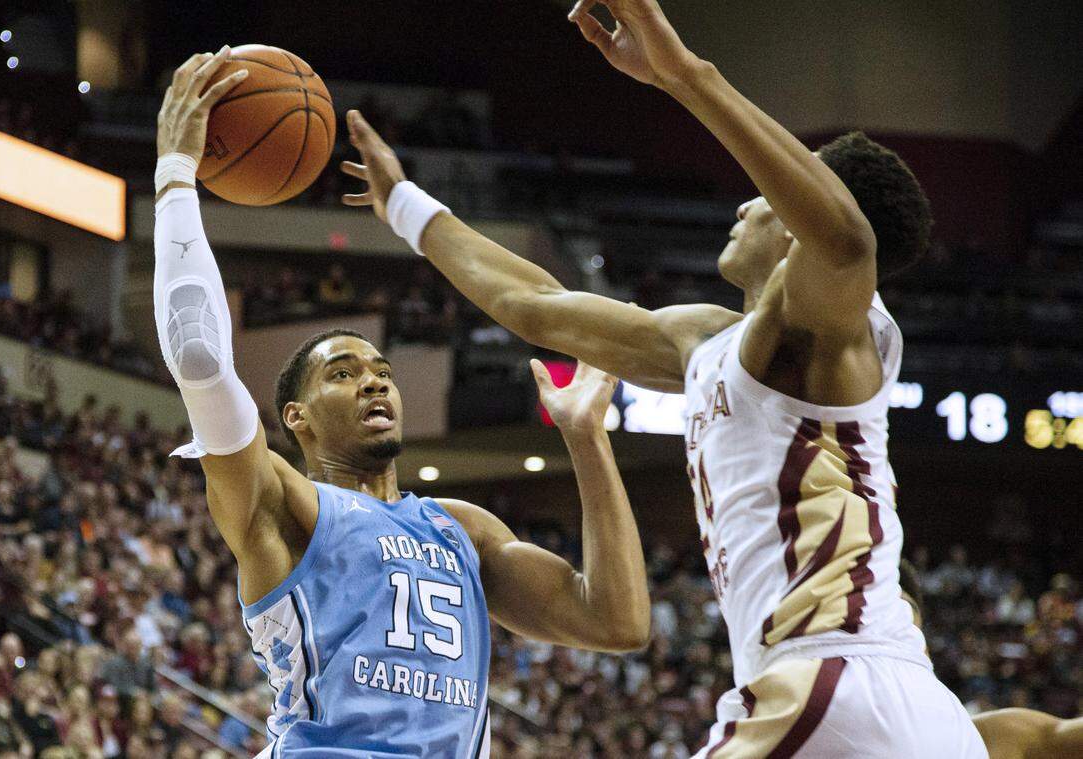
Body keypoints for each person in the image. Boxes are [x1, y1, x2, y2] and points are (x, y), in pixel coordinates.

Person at [340, 1, 986, 754]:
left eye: (769, 194)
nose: (746, 202)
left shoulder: (831, 333)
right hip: (888, 703)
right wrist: (405, 207)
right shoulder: (711, 341)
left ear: (797, 214)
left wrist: (685, 75)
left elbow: (845, 241)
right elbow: (538, 304)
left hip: (830, 680)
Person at [153, 47, 650, 757]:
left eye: (381, 368)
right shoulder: (281, 502)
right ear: (294, 416)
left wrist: (586, 437)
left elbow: (618, 620)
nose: (375, 381)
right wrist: (175, 174)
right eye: (344, 372)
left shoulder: (463, 529)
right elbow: (200, 357)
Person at [899, 560, 1083, 759]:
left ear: (926, 647)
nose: (886, 629)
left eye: (901, 612)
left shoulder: (988, 741)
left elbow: (1057, 739)